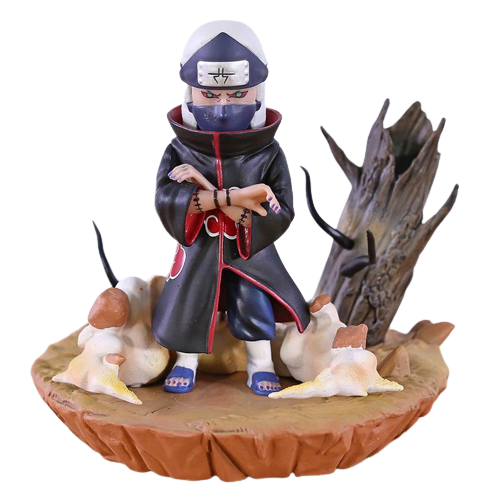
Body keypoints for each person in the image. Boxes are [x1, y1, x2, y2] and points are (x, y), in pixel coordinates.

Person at [153, 19, 310, 396]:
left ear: (258, 92)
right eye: (210, 94)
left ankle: (261, 363)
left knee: (253, 301)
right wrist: (234, 198)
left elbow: (280, 210)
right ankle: (186, 360)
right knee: (189, 303)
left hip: (250, 254)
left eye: (238, 94)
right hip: (197, 251)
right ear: (191, 92)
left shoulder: (268, 152)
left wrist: (214, 197)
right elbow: (165, 199)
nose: (223, 106)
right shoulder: (178, 149)